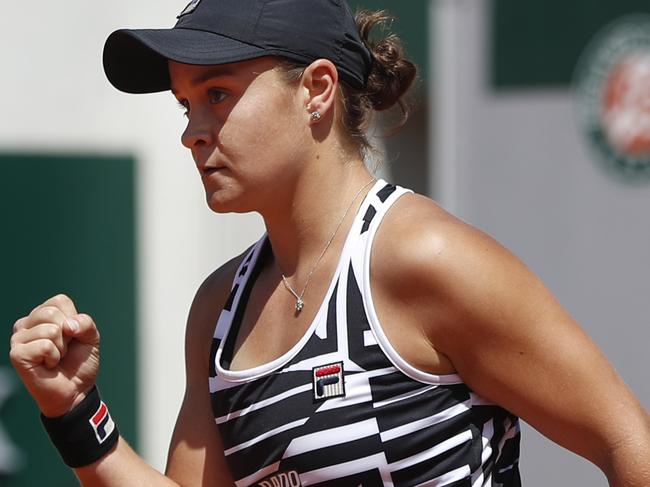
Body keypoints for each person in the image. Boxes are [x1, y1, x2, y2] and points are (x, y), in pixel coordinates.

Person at [8, 0, 650, 485]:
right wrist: (76, 412)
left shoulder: (422, 258)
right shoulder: (218, 311)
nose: (193, 133)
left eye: (219, 94)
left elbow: (628, 443)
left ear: (316, 90)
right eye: (185, 105)